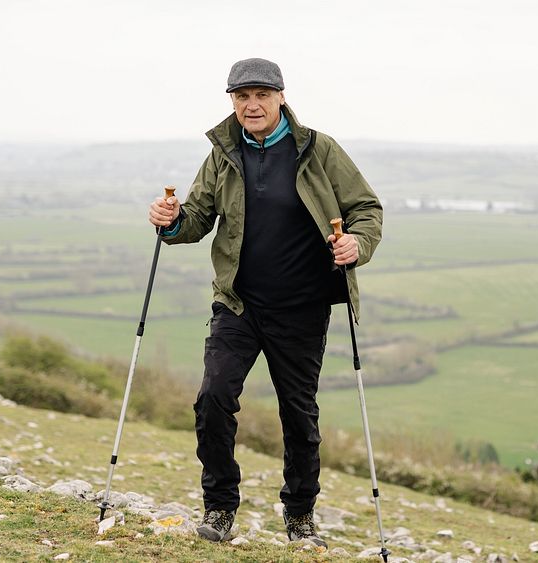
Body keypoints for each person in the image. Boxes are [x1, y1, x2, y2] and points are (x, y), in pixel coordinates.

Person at [148, 57, 382, 546]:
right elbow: (195, 218)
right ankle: (219, 508)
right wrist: (169, 220)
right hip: (238, 304)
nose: (251, 105)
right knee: (213, 398)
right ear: (232, 101)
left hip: (301, 308)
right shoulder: (223, 153)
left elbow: (366, 209)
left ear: (281, 97)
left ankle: (299, 515)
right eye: (241, 96)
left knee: (298, 414)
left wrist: (356, 244)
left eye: (261, 95)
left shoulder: (319, 150)